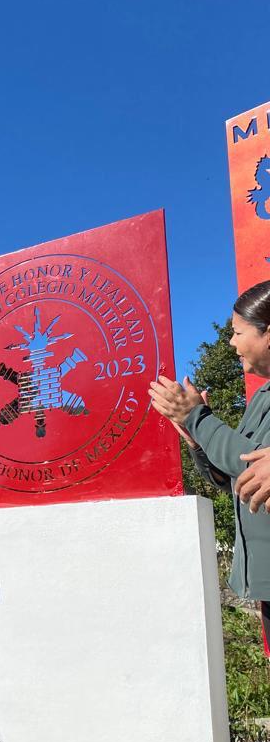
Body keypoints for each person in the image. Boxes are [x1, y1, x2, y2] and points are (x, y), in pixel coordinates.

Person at [149, 280, 270, 656]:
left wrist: (197, 418)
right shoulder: (262, 395)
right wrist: (198, 440)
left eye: (237, 332)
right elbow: (239, 477)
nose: (231, 343)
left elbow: (248, 462)